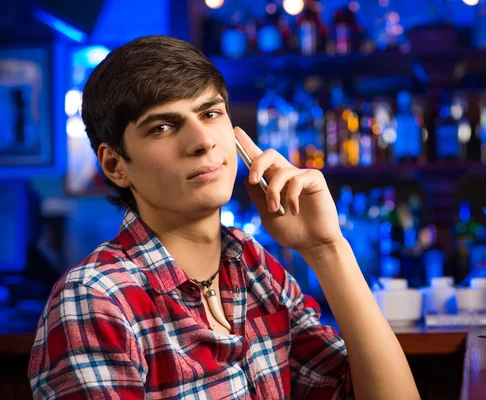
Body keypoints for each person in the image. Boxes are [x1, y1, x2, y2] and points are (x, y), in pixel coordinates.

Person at [28, 36, 419, 399]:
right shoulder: (96, 297)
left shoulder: (255, 269)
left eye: (211, 113)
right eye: (163, 127)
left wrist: (327, 248)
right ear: (115, 165)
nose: (202, 141)